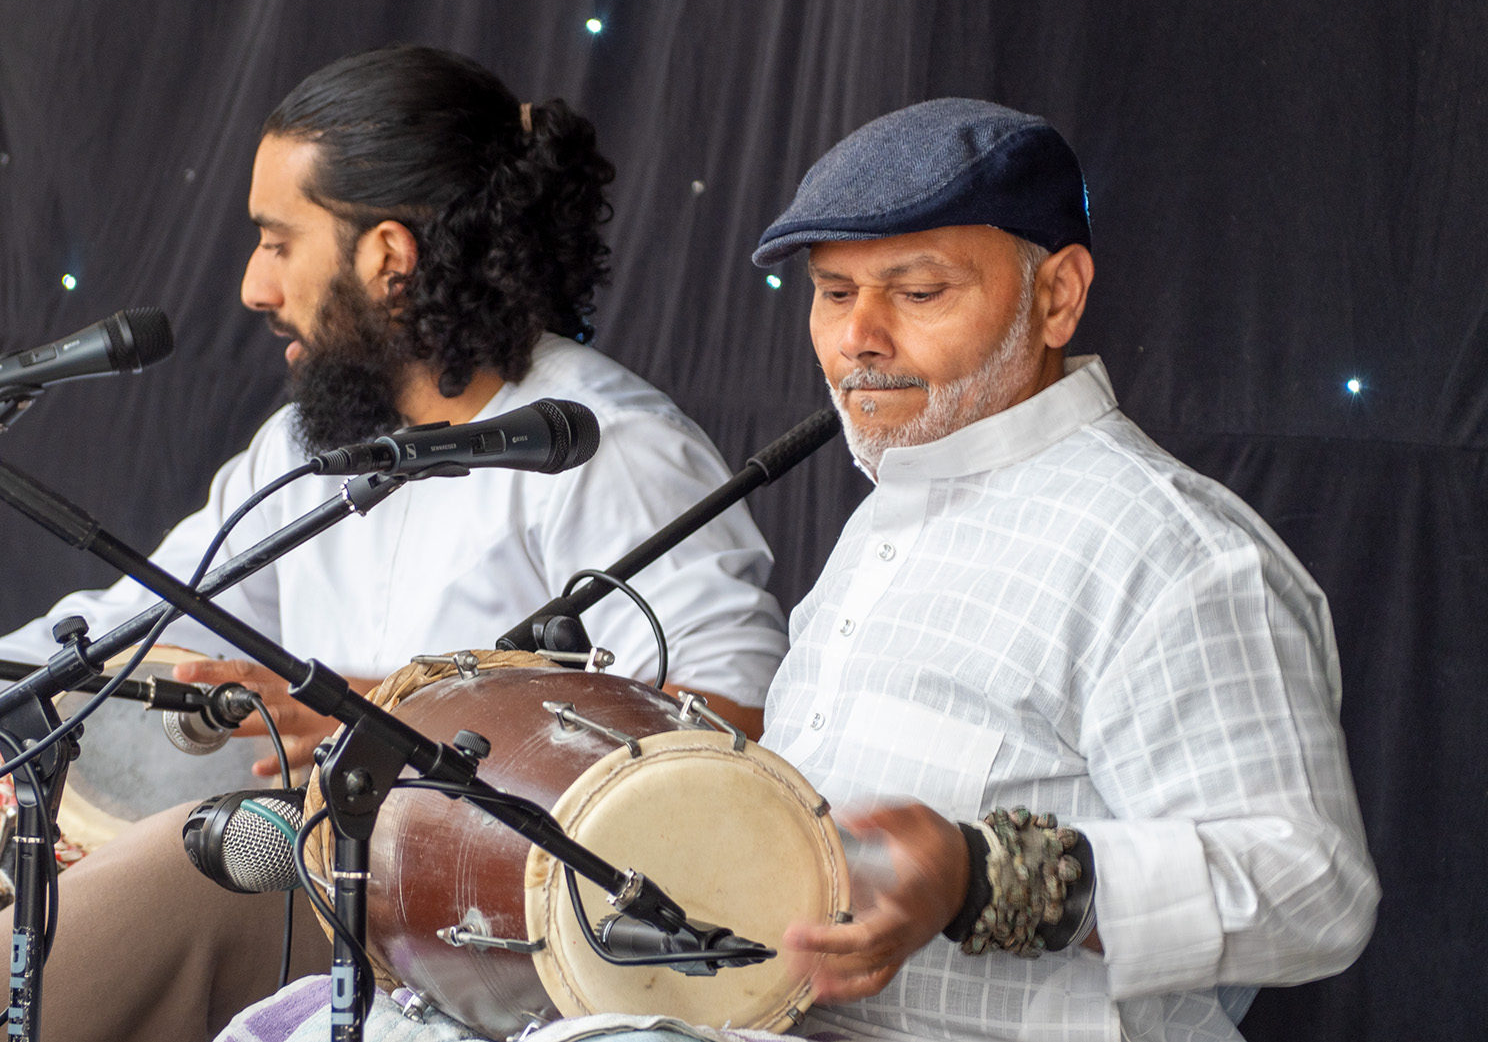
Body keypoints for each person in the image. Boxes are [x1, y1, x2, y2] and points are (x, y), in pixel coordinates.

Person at [222, 98, 1379, 1042]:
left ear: (1057, 294)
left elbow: (1313, 889)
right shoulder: (897, 513)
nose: (860, 335)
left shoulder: (1174, 553)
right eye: (834, 294)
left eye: (918, 291)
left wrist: (984, 878)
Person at [0, 45, 788, 1042]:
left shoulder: (609, 446)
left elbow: (736, 729)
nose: (251, 284)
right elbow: (131, 619)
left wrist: (390, 716)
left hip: (493, 939)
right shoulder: (304, 450)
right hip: (332, 881)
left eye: (278, 240)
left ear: (387, 254)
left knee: (154, 884)